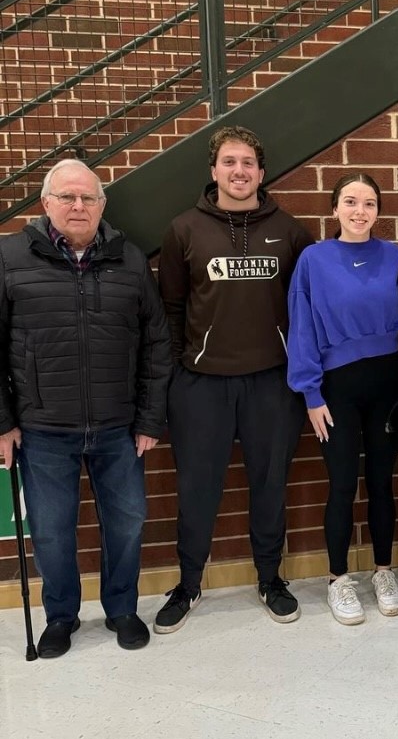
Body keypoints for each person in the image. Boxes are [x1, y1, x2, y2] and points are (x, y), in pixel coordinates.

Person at [0, 159, 171, 657]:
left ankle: (121, 608)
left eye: (89, 198)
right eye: (68, 197)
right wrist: (4, 423)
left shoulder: (130, 261)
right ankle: (61, 615)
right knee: (52, 531)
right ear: (46, 204)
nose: (79, 206)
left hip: (119, 426)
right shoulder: (9, 258)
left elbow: (157, 345)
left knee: (128, 521)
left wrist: (149, 417)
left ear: (102, 206)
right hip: (42, 427)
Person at [155, 126, 314, 633]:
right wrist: (186, 364)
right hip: (202, 385)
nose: (239, 171)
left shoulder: (290, 231)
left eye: (248, 162)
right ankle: (188, 583)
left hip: (272, 382)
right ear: (214, 170)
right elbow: (173, 307)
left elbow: (304, 308)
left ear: (261, 173)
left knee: (270, 485)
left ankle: (271, 578)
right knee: (197, 487)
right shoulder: (183, 229)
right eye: (229, 162)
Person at [287, 173, 398, 625]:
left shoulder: (394, 256)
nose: (361, 211)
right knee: (341, 484)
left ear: (379, 210)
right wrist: (311, 393)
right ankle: (338, 578)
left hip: (387, 383)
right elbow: (301, 326)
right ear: (334, 209)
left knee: (381, 481)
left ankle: (383, 570)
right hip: (335, 389)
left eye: (370, 203)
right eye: (351, 202)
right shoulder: (313, 260)